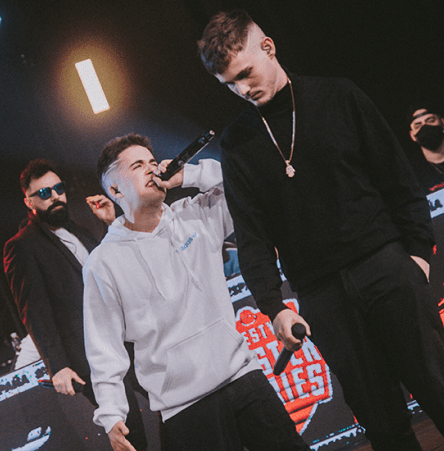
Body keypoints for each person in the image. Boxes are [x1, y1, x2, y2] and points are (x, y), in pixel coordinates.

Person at [197, 10, 444, 451]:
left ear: (268, 47)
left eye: (245, 74)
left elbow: (397, 179)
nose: (242, 89)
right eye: (229, 84)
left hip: (385, 268)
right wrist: (274, 307)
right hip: (323, 297)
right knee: (382, 424)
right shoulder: (237, 143)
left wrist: (416, 258)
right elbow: (253, 237)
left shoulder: (337, 96)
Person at [83, 133, 309, 451]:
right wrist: (111, 413)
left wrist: (189, 174)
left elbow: (243, 185)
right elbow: (103, 345)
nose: (151, 169)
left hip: (242, 376)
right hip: (184, 407)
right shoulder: (103, 262)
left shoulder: (195, 216)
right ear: (115, 190)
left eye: (152, 162)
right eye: (137, 166)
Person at [3, 159, 149, 451]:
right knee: (131, 435)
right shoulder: (23, 245)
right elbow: (34, 312)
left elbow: (111, 272)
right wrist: (57, 366)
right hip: (93, 357)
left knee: (172, 404)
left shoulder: (78, 231)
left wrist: (110, 222)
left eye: (58, 189)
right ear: (29, 201)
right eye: (44, 193)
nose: (55, 196)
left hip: (127, 340)